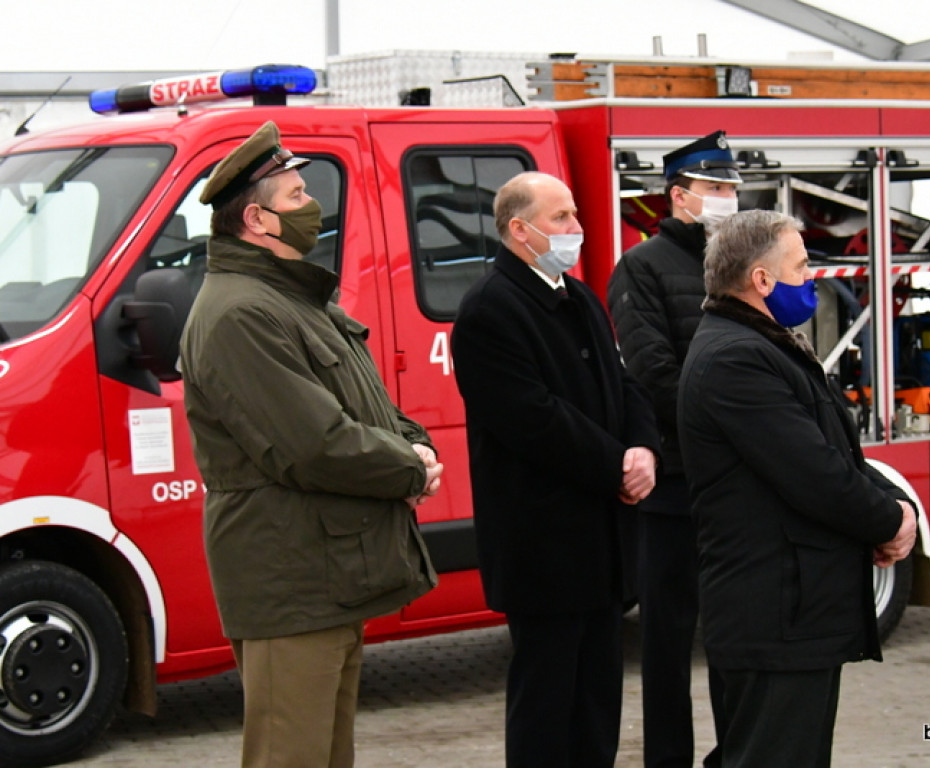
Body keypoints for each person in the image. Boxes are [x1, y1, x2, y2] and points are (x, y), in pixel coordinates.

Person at [179, 121, 443, 768]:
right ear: (257, 220)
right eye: (296, 196)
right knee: (289, 755)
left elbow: (363, 405)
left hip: (322, 575)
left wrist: (413, 441)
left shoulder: (291, 297)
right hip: (289, 579)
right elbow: (311, 444)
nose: (312, 206)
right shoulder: (242, 312)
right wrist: (409, 468)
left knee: (326, 756)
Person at [677, 209, 918, 767]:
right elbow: (815, 474)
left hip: (793, 612)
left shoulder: (766, 344)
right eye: (802, 265)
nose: (812, 276)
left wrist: (890, 509)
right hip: (773, 614)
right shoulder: (737, 357)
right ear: (761, 280)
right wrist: (891, 522)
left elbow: (835, 453)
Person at [451, 171, 660, 768]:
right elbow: (533, 420)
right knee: (547, 706)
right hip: (544, 548)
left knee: (596, 705)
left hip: (600, 546)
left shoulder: (579, 295)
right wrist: (615, 463)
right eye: (562, 218)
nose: (578, 228)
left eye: (574, 214)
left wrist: (645, 447)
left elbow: (623, 383)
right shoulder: (491, 309)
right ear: (520, 230)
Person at [606, 129, 740, 768]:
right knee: (666, 644)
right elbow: (652, 371)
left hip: (736, 484)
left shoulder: (739, 266)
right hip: (676, 487)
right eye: (716, 189)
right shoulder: (643, 267)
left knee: (738, 638)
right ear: (679, 195)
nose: (727, 200)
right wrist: (734, 425)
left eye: (733, 190)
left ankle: (736, 753)